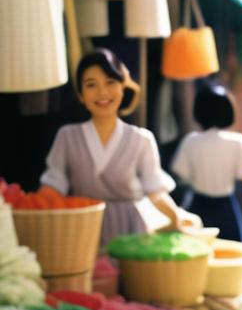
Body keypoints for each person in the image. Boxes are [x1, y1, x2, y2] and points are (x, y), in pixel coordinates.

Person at [40, 49, 194, 246]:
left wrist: (177, 219)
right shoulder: (68, 136)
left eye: (110, 82)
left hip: (132, 235)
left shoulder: (141, 139)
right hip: (82, 234)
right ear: (80, 94)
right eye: (91, 85)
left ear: (123, 87)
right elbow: (53, 186)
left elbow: (155, 192)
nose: (102, 92)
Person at [171, 85, 242, 244]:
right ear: (229, 111)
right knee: (232, 253)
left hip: (197, 207)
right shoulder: (238, 142)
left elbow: (181, 175)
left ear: (198, 111)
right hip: (226, 208)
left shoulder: (191, 141)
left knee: (196, 253)